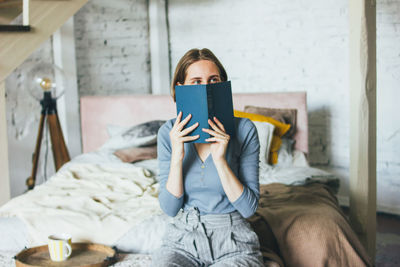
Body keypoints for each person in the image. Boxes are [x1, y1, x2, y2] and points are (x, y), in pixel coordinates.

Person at [152, 48, 263, 267]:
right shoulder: (167, 133)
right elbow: (170, 209)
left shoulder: (245, 130)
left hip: (233, 241)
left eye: (214, 80)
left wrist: (220, 159)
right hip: (183, 240)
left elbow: (249, 209)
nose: (206, 88)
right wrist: (177, 154)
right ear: (180, 88)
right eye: (196, 82)